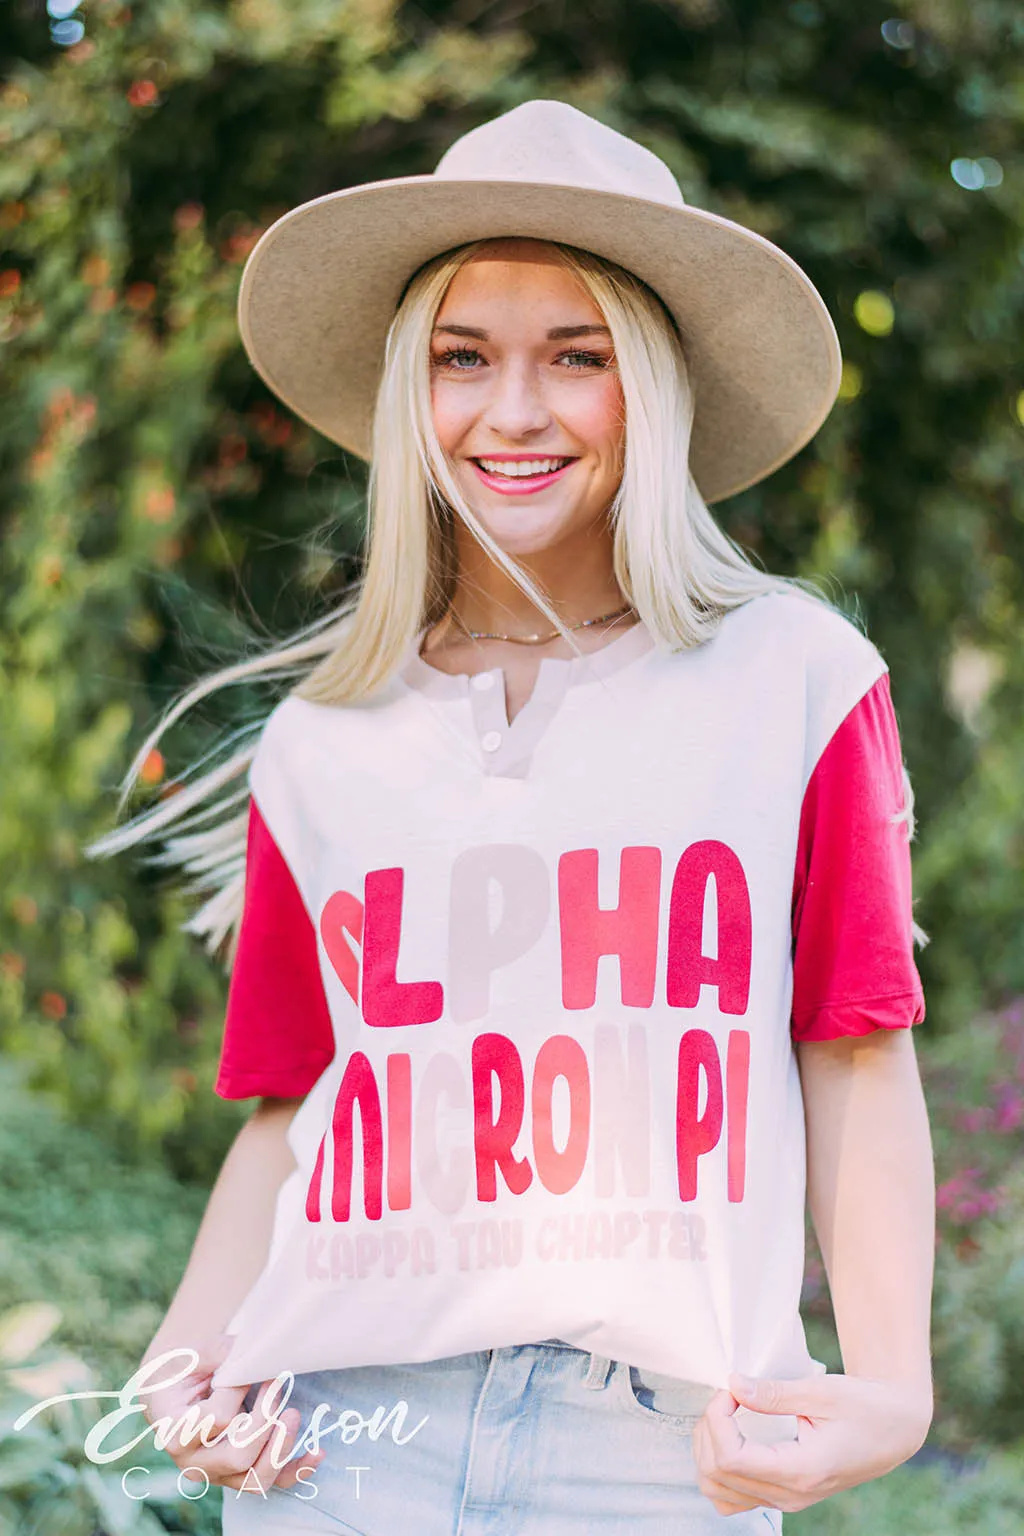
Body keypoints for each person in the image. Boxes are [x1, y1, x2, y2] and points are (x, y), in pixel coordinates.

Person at [88, 100, 935, 1532]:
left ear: (650, 388)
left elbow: (855, 1050)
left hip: (662, 1450)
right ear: (408, 397)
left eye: (578, 358)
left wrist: (894, 1389)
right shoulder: (323, 742)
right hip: (339, 1435)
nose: (515, 412)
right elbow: (293, 1105)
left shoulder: (796, 681)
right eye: (462, 358)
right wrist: (182, 1373)